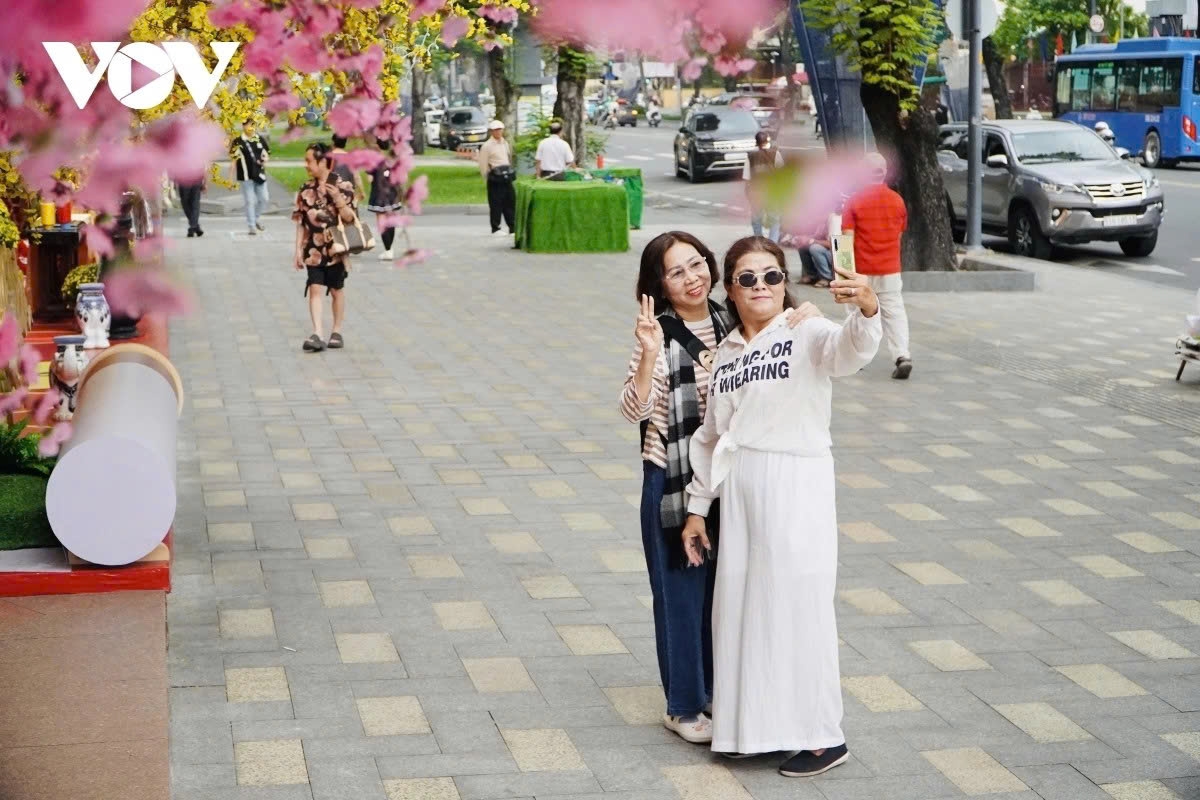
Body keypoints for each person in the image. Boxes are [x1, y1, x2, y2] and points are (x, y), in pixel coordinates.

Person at [682, 235, 880, 777]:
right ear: (731, 288)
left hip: (795, 483)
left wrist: (866, 306)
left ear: (783, 282)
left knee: (798, 608)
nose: (762, 286)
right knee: (746, 611)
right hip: (742, 492)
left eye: (772, 276)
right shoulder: (726, 354)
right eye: (748, 278)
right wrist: (698, 507)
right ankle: (756, 728)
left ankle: (823, 736)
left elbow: (850, 351)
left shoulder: (805, 330)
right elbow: (710, 434)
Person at [621, 232, 821, 746]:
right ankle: (683, 705)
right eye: (676, 272)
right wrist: (646, 357)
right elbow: (635, 411)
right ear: (659, 285)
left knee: (723, 592)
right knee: (682, 595)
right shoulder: (658, 334)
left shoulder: (732, 317)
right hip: (672, 478)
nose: (692, 278)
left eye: (697, 265)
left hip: (729, 479)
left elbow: (790, 339)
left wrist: (805, 314)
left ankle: (716, 690)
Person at [840, 152, 912, 379]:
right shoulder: (897, 201)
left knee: (855, 312)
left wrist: (844, 273)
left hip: (861, 270)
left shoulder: (854, 201)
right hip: (890, 268)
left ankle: (855, 356)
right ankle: (902, 355)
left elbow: (846, 238)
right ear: (884, 173)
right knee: (894, 313)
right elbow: (899, 237)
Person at [293, 142, 357, 353]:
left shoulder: (343, 186)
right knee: (314, 288)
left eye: (309, 161)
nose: (306, 165)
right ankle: (317, 333)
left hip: (336, 249)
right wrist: (297, 251)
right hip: (313, 249)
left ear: (323, 162)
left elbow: (350, 218)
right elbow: (301, 223)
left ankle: (336, 331)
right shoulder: (305, 190)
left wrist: (338, 199)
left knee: (337, 290)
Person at [230, 119, 270, 235]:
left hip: (260, 175)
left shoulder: (259, 139)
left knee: (264, 199)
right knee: (250, 201)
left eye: (253, 125)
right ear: (243, 126)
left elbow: (267, 154)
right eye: (248, 125)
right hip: (245, 176)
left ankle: (256, 218)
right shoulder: (238, 142)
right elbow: (233, 162)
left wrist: (265, 160)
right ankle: (251, 226)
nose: (251, 128)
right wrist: (230, 179)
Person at [743, 131, 784, 242]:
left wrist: (748, 194)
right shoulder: (775, 154)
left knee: (756, 220)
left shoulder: (750, 156)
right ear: (768, 140)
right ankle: (773, 243)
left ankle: (759, 241)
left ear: (756, 142)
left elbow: (747, 177)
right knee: (775, 219)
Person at [477, 120, 515, 234]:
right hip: (495, 177)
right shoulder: (487, 146)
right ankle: (496, 227)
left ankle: (512, 226)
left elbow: (508, 158)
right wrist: (487, 177)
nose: (498, 132)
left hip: (506, 175)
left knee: (510, 201)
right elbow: (483, 164)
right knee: (496, 203)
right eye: (495, 130)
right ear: (492, 131)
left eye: (500, 130)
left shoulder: (505, 143)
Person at [367, 139, 401, 260]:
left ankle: (388, 250)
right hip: (392, 193)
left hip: (379, 194)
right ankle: (390, 248)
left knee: (381, 221)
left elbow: (369, 179)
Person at [330, 135, 367, 202]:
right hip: (348, 194)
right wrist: (362, 191)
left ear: (333, 142)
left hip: (332, 193)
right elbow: (356, 177)